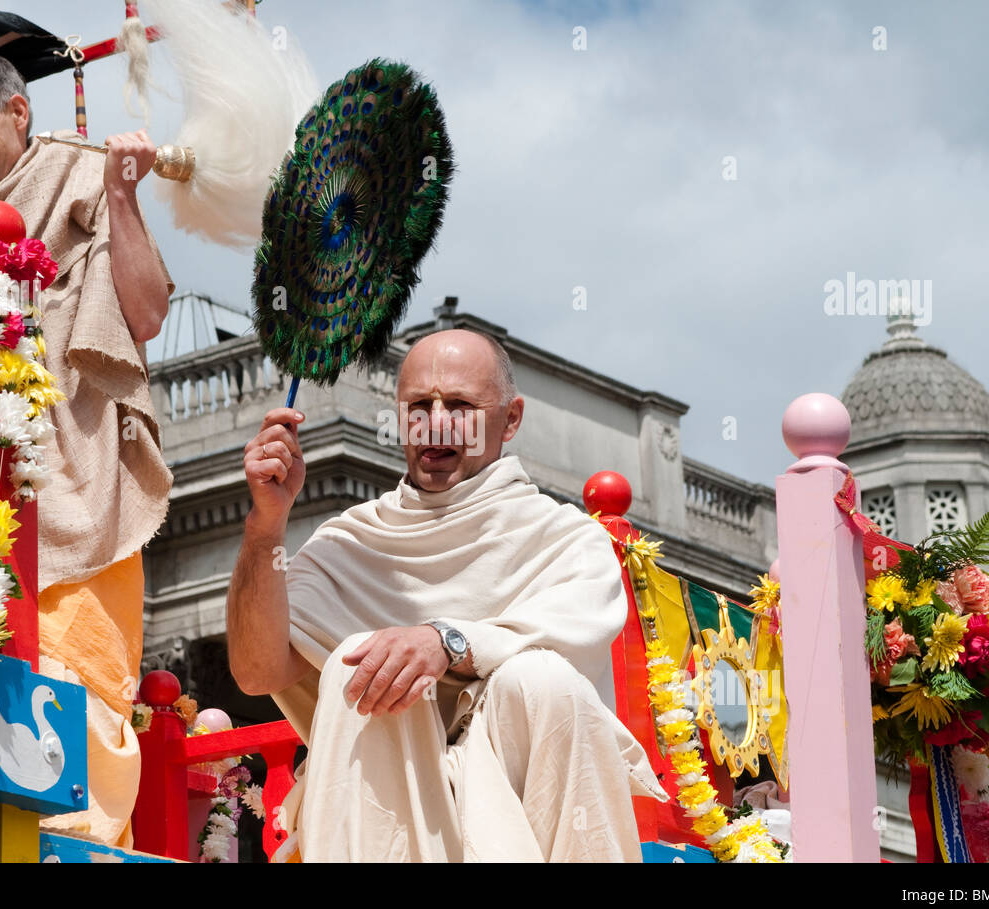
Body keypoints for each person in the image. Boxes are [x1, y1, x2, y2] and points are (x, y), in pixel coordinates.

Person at [227, 328, 666, 862]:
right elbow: (255, 671)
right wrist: (266, 526)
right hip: (383, 820)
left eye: (459, 404)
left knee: (541, 679)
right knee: (361, 663)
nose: (436, 422)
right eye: (419, 405)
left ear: (511, 419)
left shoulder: (567, 540)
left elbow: (564, 668)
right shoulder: (351, 540)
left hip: (528, 814)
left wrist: (446, 643)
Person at [0, 49, 172, 846]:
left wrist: (122, 197)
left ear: (17, 112)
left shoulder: (81, 174)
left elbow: (149, 311)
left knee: (73, 691)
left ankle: (80, 846)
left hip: (73, 478)